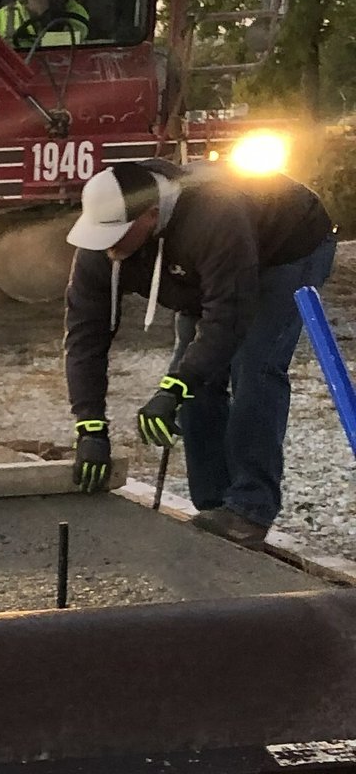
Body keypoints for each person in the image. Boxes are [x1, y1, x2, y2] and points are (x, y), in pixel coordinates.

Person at [65, 158, 336, 543]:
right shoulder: (102, 240)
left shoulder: (213, 214)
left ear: (151, 215)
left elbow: (228, 319)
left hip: (289, 246)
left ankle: (249, 508)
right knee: (195, 382)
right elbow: (85, 336)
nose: (105, 245)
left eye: (115, 235)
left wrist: (174, 386)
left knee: (254, 367)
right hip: (207, 268)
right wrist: (90, 426)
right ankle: (214, 504)